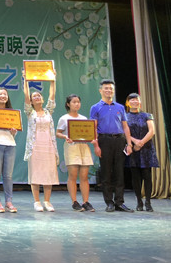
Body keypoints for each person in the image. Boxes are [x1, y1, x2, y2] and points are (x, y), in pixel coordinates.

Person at [90, 79, 134, 213]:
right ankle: (109, 202)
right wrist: (96, 146)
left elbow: (125, 127)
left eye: (111, 88)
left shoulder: (120, 107)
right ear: (100, 90)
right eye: (106, 88)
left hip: (119, 140)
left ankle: (119, 202)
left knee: (119, 172)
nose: (109, 90)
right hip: (104, 140)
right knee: (106, 173)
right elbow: (93, 128)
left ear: (113, 91)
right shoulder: (95, 107)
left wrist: (129, 144)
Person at [23, 72, 59, 212]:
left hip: (49, 146)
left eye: (39, 95)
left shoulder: (48, 111)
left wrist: (52, 80)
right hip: (35, 146)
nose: (37, 97)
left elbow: (52, 95)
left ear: (42, 99)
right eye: (34, 97)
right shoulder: (30, 112)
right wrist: (26, 80)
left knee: (48, 173)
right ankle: (37, 201)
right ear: (31, 101)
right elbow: (26, 95)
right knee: (36, 173)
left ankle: (47, 201)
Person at [56, 94, 97, 212]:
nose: (77, 104)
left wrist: (91, 138)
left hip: (83, 147)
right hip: (71, 147)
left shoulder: (84, 118)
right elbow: (58, 133)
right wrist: (65, 137)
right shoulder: (64, 118)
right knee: (73, 175)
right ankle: (74, 202)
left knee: (84, 176)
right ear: (68, 104)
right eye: (74, 102)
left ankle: (86, 202)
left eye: (78, 102)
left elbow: (88, 133)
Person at [124, 93, 159, 212]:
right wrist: (135, 142)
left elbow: (152, 131)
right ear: (128, 102)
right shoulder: (125, 116)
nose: (135, 102)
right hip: (132, 148)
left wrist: (141, 143)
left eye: (137, 100)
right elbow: (124, 132)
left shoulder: (147, 115)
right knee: (135, 177)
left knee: (147, 176)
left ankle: (148, 202)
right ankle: (139, 202)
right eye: (132, 100)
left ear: (140, 102)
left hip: (146, 148)